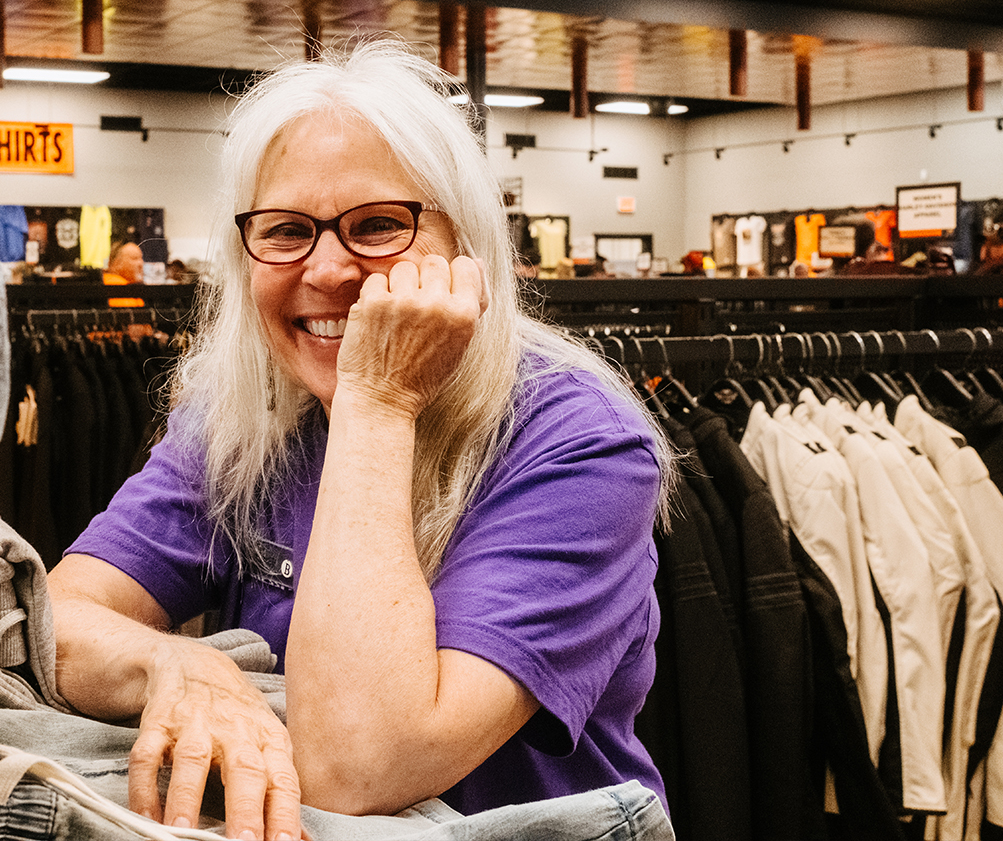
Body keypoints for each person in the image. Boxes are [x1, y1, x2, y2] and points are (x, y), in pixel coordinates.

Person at [47, 41, 672, 840]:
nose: (329, 267)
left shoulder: (580, 444)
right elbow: (58, 615)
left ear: (465, 243)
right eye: (285, 231)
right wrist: (175, 662)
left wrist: (377, 402)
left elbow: (358, 765)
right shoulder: (243, 416)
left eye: (378, 225)